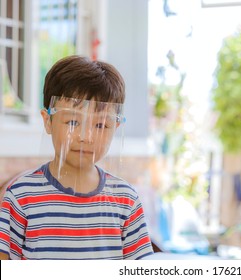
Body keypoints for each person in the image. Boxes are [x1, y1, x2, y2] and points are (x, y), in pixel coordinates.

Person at [0, 55, 154, 260]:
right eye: (73, 122)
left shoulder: (126, 201)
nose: (86, 137)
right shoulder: (20, 196)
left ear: (115, 127)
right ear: (48, 121)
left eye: (100, 125)